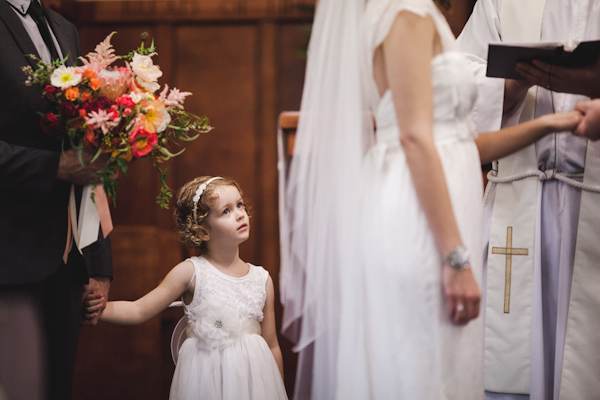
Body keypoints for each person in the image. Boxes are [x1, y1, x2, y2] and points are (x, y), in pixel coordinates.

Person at [277, 0, 582, 399]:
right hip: (418, 223)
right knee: (423, 372)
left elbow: (458, 143)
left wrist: (549, 124)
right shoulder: (404, 14)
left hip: (428, 213)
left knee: (441, 367)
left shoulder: (414, 13)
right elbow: (415, 139)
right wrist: (456, 258)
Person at [457, 0, 600, 398]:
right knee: (512, 362)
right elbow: (456, 77)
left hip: (592, 204)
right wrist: (511, 82)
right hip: (521, 204)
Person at [85, 176, 288, 400]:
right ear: (203, 232)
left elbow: (271, 345)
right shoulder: (191, 272)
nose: (240, 214)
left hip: (253, 386)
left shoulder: (261, 279)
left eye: (240, 205)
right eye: (226, 211)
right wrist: (99, 310)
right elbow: (139, 309)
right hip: (206, 384)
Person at [0, 1, 113, 399]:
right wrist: (54, 168)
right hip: (8, 257)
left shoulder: (65, 28)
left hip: (65, 262)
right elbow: (65, 161)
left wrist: (97, 262)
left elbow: (82, 146)